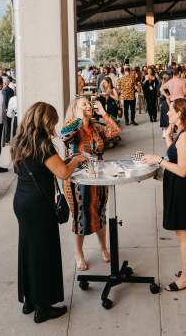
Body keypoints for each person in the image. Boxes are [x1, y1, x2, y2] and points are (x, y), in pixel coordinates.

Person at [10, 102, 86, 324]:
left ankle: (29, 300)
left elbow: (42, 167)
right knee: (43, 254)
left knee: (28, 250)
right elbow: (62, 173)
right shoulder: (43, 144)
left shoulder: (19, 140)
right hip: (38, 204)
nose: (54, 125)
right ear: (45, 120)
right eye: (52, 121)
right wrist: (75, 161)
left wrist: (68, 162)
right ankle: (43, 307)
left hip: (22, 201)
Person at [142, 99, 186, 292]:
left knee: (183, 232)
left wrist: (158, 160)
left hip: (182, 186)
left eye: (170, 111)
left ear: (179, 114)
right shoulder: (185, 132)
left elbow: (182, 169)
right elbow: (177, 155)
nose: (167, 113)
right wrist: (167, 137)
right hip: (182, 186)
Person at [61, 97, 121, 270]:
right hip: (77, 180)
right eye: (84, 104)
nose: (89, 106)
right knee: (81, 217)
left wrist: (103, 113)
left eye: (89, 103)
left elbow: (116, 131)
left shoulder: (95, 127)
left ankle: (103, 247)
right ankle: (79, 253)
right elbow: (64, 135)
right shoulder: (72, 127)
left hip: (99, 177)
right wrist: (79, 118)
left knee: (100, 212)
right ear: (75, 109)